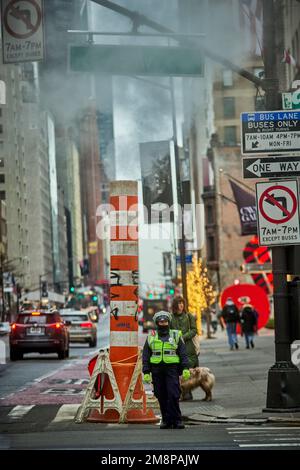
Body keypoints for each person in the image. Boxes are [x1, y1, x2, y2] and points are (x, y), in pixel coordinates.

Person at [142, 310, 191, 429]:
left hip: (171, 369)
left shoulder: (176, 335)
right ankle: (166, 420)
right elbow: (146, 355)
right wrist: (146, 372)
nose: (163, 323)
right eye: (160, 321)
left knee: (173, 394)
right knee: (161, 395)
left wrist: (185, 368)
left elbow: (183, 353)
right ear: (157, 323)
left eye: (165, 321)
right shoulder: (151, 336)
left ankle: (177, 420)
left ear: (168, 322)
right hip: (157, 370)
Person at [170, 296, 198, 400]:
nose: (181, 305)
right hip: (175, 347)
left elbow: (194, 330)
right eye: (179, 303)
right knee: (178, 370)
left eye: (182, 303)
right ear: (175, 305)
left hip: (188, 347)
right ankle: (180, 392)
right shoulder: (171, 318)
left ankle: (187, 392)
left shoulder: (188, 316)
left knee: (189, 370)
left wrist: (184, 337)